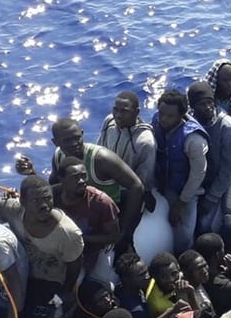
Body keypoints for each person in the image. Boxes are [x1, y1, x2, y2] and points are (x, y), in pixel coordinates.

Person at [0, 175, 83, 318]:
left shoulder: (68, 233)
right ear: (22, 201)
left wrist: (64, 293)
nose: (44, 205)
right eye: (36, 200)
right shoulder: (13, 209)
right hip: (25, 276)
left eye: (47, 198)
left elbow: (75, 265)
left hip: (53, 282)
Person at [19, 117, 144, 247]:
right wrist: (32, 174)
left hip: (105, 216)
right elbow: (53, 189)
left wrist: (125, 230)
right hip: (78, 211)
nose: (74, 144)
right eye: (67, 140)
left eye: (77, 138)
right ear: (55, 142)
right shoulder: (58, 156)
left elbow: (136, 186)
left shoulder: (101, 159)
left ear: (82, 133)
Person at [152, 89, 209, 254]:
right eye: (161, 113)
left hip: (187, 189)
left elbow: (198, 174)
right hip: (165, 183)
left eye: (170, 116)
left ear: (181, 115)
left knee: (183, 237)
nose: (163, 119)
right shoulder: (156, 122)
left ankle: (185, 255)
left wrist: (181, 203)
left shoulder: (194, 140)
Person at [187, 81, 231, 235]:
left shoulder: (228, 128)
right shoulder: (191, 122)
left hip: (229, 174)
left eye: (210, 102)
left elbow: (228, 169)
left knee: (206, 224)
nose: (207, 107)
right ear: (192, 107)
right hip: (206, 177)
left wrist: (211, 198)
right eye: (202, 104)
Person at [53, 156, 120, 284]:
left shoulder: (102, 202)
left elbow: (114, 236)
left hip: (93, 250)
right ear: (61, 179)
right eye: (75, 177)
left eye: (84, 176)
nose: (82, 181)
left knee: (86, 282)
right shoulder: (52, 195)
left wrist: (80, 239)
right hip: (60, 249)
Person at [97, 90, 156, 201]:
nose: (118, 115)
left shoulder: (145, 142)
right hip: (104, 182)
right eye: (115, 110)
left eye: (124, 111)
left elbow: (143, 180)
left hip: (126, 189)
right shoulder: (109, 122)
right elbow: (99, 150)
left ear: (137, 112)